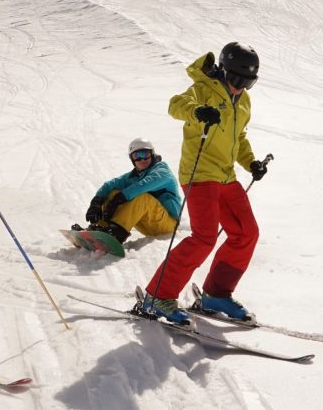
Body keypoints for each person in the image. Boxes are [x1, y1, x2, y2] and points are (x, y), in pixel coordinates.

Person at [139, 42, 270, 325]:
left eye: (248, 83)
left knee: (246, 233)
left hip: (226, 176)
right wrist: (198, 111)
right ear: (224, 71)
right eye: (236, 80)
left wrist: (251, 163)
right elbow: (176, 105)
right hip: (199, 175)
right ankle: (158, 296)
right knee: (204, 237)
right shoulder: (203, 87)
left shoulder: (243, 101)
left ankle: (216, 294)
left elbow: (239, 138)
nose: (239, 87)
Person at [78, 138, 182, 245]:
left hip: (168, 225)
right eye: (137, 156)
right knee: (113, 192)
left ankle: (116, 234)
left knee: (142, 197)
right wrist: (96, 201)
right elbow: (109, 185)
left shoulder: (163, 172)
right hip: (149, 224)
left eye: (145, 154)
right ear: (132, 159)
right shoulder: (133, 176)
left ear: (152, 154)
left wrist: (121, 198)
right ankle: (101, 228)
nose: (142, 159)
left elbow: (144, 185)